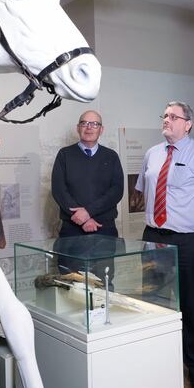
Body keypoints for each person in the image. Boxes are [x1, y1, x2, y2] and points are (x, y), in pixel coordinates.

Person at [135, 101, 194, 388]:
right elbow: (142, 191)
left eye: (173, 116)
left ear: (188, 124)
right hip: (153, 236)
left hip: (189, 241)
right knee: (153, 303)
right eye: (164, 115)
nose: (167, 120)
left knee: (190, 306)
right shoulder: (152, 154)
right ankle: (156, 363)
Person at [51, 110, 124, 278]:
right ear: (78, 128)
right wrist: (81, 217)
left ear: (101, 129)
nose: (89, 127)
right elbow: (59, 190)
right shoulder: (64, 155)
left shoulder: (111, 156)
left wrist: (88, 212)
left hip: (104, 230)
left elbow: (116, 191)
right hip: (72, 230)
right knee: (70, 283)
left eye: (94, 124)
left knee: (103, 283)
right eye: (84, 123)